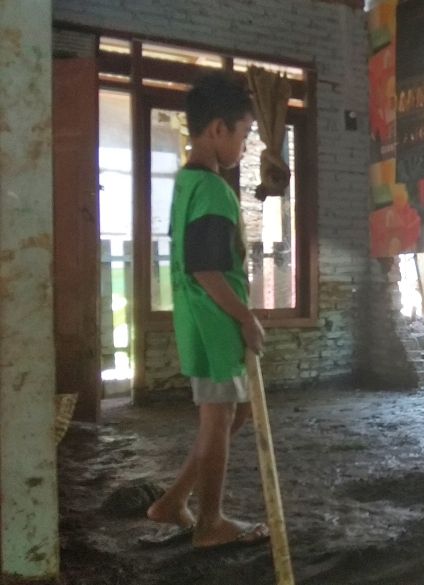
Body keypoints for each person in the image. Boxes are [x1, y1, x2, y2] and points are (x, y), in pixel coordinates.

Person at [144, 72, 270, 551]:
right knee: (219, 420)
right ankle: (211, 522)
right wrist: (245, 317)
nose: (243, 144)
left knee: (232, 415)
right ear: (218, 129)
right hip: (215, 324)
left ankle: (172, 502)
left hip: (197, 321)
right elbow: (206, 269)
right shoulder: (215, 191)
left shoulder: (188, 183)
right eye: (242, 133)